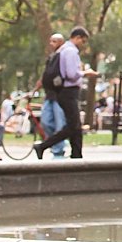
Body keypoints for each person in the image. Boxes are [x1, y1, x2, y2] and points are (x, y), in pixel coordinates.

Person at [34, 26, 96, 160]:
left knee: (76, 126)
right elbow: (71, 74)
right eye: (83, 41)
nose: (83, 45)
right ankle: (44, 146)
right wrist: (86, 73)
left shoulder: (63, 50)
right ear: (77, 37)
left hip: (64, 92)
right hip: (68, 91)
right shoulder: (71, 51)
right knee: (72, 126)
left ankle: (76, 154)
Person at [37, 33, 68, 158]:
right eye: (51, 41)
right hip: (49, 95)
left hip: (59, 95)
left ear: (61, 42)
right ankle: (55, 143)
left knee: (60, 123)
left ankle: (58, 149)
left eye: (54, 41)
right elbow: (45, 75)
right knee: (45, 121)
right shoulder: (51, 58)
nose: (51, 44)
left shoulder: (64, 56)